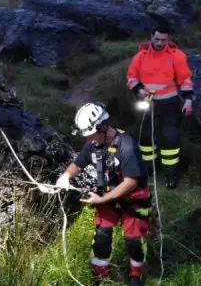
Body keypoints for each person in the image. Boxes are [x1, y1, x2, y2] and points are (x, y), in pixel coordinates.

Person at [56, 102, 151, 286]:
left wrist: (102, 199)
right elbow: (78, 163)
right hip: (108, 199)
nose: (89, 140)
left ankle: (135, 276)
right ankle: (100, 277)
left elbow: (130, 183)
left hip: (133, 200)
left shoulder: (127, 146)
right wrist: (66, 176)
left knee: (134, 242)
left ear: (103, 127)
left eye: (91, 135)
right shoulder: (93, 145)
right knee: (101, 239)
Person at [125, 24, 194, 189]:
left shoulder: (177, 56)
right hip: (147, 102)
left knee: (170, 140)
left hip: (170, 103)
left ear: (168, 39)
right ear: (151, 37)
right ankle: (149, 171)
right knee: (146, 139)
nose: (160, 42)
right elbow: (131, 78)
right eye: (157, 39)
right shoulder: (140, 57)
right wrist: (139, 91)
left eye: (163, 40)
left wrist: (188, 100)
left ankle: (171, 176)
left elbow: (185, 79)